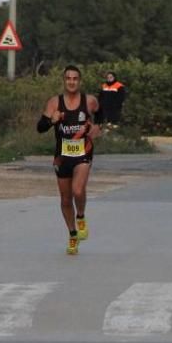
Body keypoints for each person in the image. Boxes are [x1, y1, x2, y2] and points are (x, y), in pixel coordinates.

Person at [36, 65, 101, 255]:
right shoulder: (54, 103)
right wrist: (51, 121)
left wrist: (98, 128)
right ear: (64, 81)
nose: (71, 82)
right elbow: (40, 128)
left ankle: (81, 217)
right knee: (65, 199)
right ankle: (73, 235)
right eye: (68, 79)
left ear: (79, 81)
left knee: (78, 190)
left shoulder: (89, 101)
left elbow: (101, 114)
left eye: (75, 79)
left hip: (83, 152)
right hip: (62, 156)